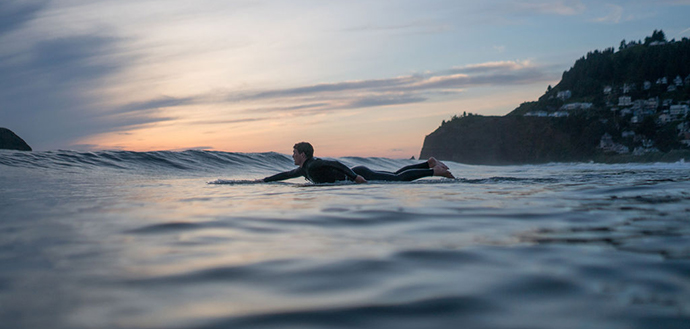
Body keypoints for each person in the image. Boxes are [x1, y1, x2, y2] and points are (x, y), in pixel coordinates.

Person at [260, 142, 454, 184]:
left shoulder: (313, 164)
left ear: (302, 154)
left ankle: (434, 171)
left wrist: (355, 177)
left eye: (294, 153)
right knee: (395, 175)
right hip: (357, 173)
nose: (292, 156)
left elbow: (335, 163)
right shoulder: (304, 170)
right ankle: (427, 164)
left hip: (360, 174)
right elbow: (284, 175)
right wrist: (263, 181)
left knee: (397, 179)